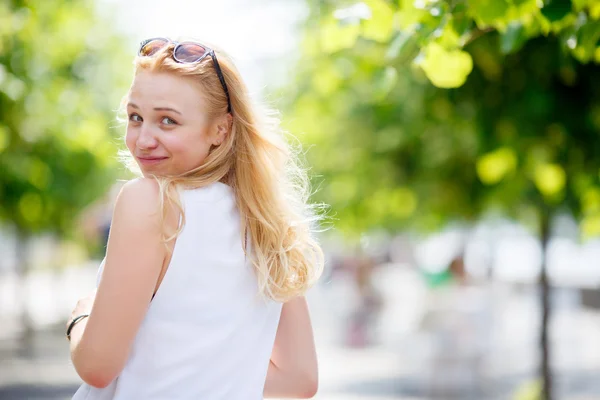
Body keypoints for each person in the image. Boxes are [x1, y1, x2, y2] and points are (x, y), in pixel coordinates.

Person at [66, 37, 324, 399]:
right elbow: (299, 379)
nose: (143, 139)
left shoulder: (150, 202)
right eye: (135, 117)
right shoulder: (267, 225)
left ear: (221, 129)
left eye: (167, 121)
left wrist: (81, 316)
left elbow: (96, 366)